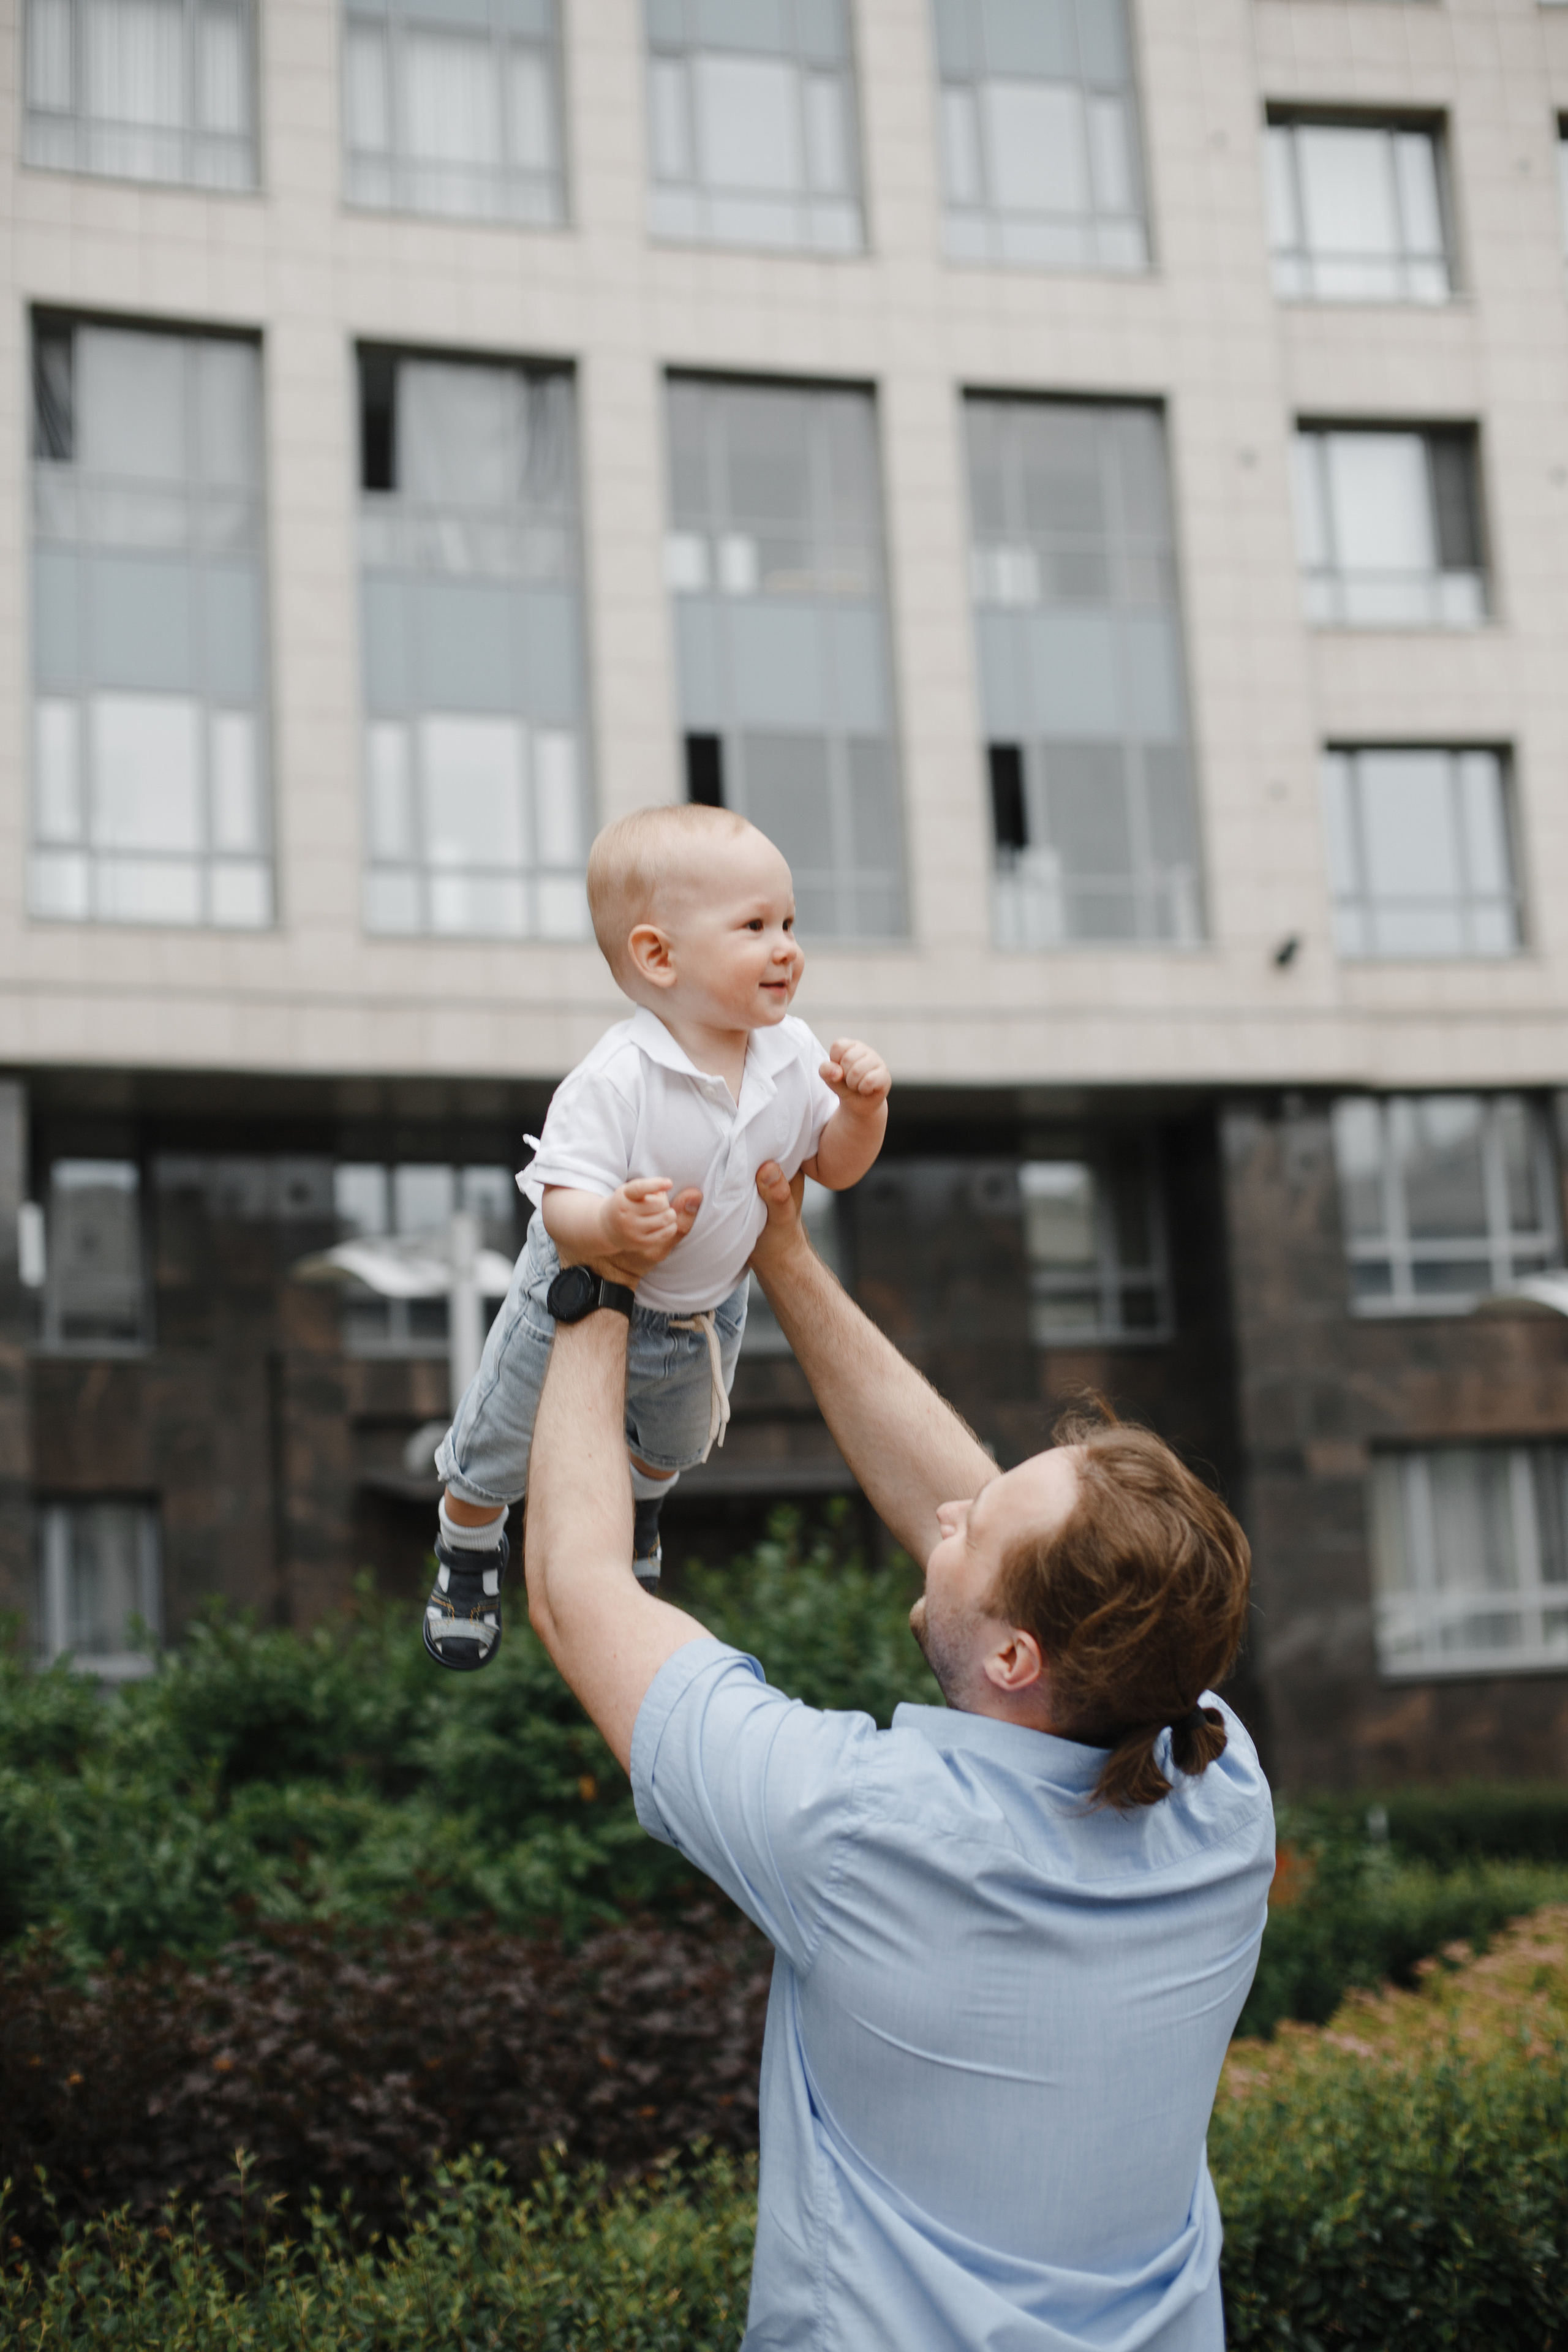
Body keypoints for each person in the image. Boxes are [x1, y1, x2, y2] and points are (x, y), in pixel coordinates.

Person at [522, 1163, 1275, 2352]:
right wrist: (779, 1249)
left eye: (971, 1531)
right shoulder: (1216, 1783)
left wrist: (595, 1281)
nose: (945, 1514)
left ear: (1018, 1658)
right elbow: (1015, 1545)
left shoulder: (856, 1829)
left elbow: (576, 1592)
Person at [423, 802, 891, 1670]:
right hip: (574, 1299)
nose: (785, 945)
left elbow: (831, 1164)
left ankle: (640, 1511)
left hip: (700, 1316)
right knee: (499, 1441)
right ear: (657, 956)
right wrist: (609, 1221)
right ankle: (468, 1539)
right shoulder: (619, 1076)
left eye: (790, 922)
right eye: (754, 925)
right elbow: (560, 1204)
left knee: (669, 1445)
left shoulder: (791, 1053)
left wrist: (863, 1112)